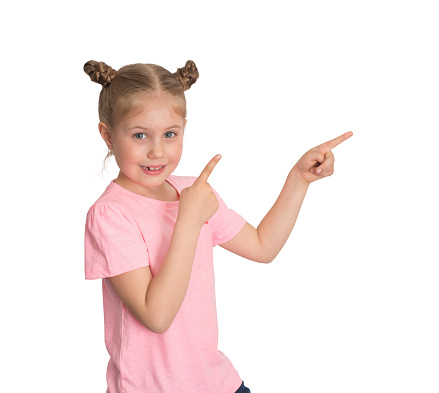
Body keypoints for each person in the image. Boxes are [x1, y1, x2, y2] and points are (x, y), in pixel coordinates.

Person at [83, 59, 353, 393]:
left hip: (218, 383)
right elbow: (156, 316)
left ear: (184, 127)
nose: (156, 151)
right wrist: (189, 220)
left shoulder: (194, 192)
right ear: (107, 135)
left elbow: (262, 246)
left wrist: (298, 180)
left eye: (170, 134)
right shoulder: (111, 214)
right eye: (140, 135)